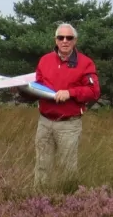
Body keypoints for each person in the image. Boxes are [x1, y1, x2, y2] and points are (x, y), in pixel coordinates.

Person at [33, 23, 101, 188]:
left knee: (67, 168)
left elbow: (94, 91)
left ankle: (68, 204)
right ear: (55, 40)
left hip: (68, 125)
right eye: (61, 37)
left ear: (75, 40)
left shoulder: (85, 63)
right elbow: (36, 86)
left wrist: (70, 93)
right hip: (45, 122)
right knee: (42, 166)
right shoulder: (45, 60)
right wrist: (20, 90)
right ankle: (39, 202)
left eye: (69, 38)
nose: (65, 41)